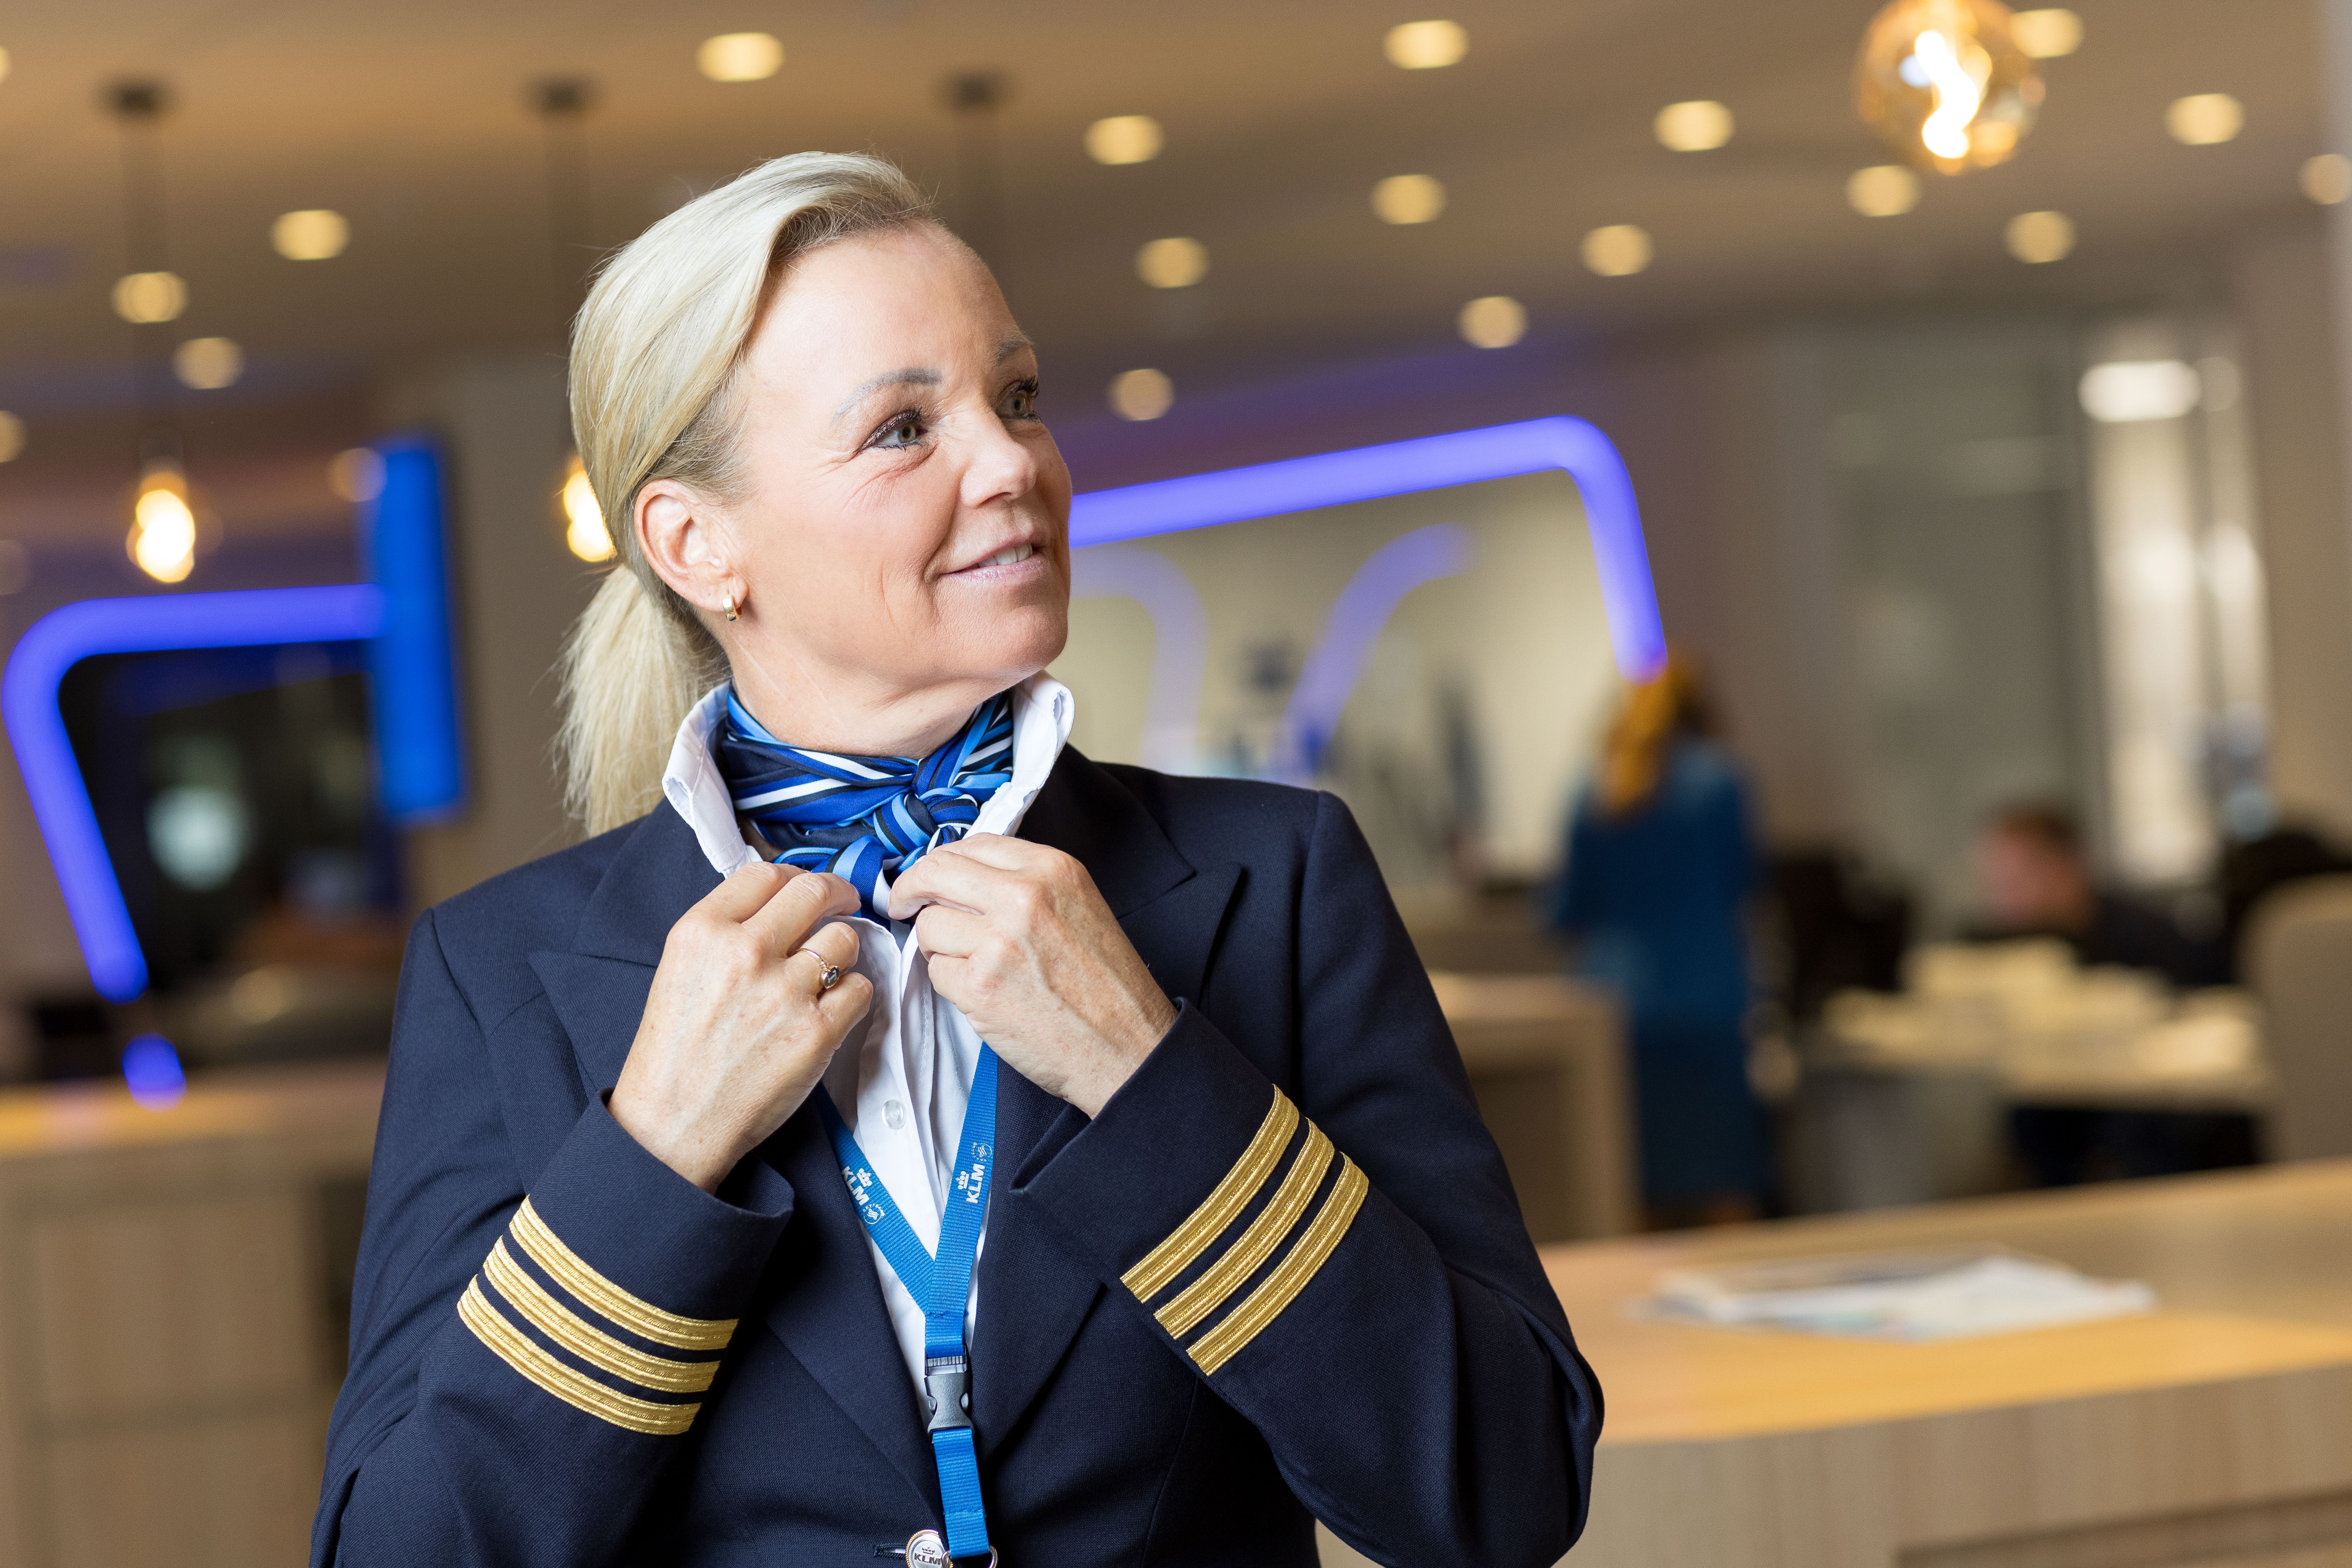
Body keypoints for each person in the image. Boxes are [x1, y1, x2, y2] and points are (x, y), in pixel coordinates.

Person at [310, 153, 1598, 1568]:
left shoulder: (1278, 881)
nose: (1013, 464)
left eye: (1019, 397)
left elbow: (1502, 1491)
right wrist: (651, 1154)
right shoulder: (502, 974)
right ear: (696, 540)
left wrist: (1148, 1069)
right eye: (903, 429)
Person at [1550, 652, 1765, 1226]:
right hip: (1705, 1001)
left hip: (1614, 1007)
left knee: (1630, 1186)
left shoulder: (1589, 789)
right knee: (1724, 1178)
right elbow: (1743, 884)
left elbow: (1566, 911)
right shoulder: (1721, 781)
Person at [1971, 802, 2247, 1184]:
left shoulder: (2146, 937)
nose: (2002, 899)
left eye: (2015, 880)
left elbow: (2202, 1023)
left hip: (2154, 1113)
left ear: (2066, 865)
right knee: (2029, 1114)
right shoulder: (2020, 950)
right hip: (2070, 1108)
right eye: (1996, 882)